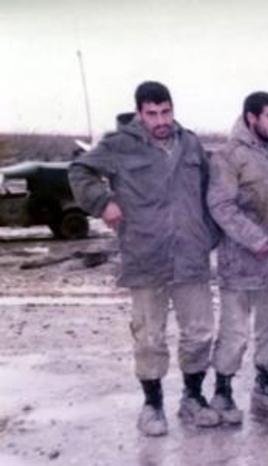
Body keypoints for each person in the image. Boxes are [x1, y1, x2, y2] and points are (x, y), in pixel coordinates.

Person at [68, 81, 219, 436]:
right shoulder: (120, 145)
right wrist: (103, 202)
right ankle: (152, 406)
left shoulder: (190, 143)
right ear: (139, 114)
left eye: (166, 112)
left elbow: (209, 190)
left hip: (190, 257)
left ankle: (193, 397)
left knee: (199, 333)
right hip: (145, 255)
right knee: (149, 337)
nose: (161, 120)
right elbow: (79, 170)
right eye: (152, 114)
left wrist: (207, 235)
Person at [207, 92, 268, 422]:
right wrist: (254, 238)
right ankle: (223, 391)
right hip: (240, 263)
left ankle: (265, 387)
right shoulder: (228, 156)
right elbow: (221, 205)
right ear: (251, 117)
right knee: (235, 331)